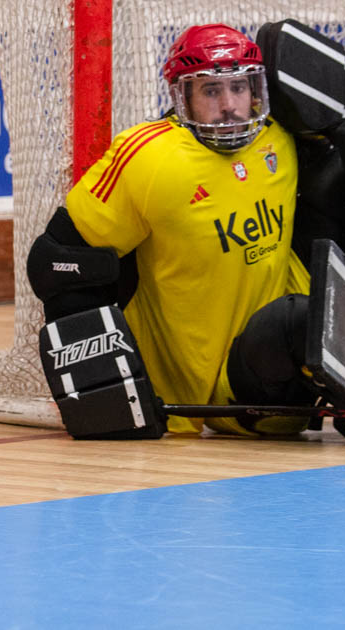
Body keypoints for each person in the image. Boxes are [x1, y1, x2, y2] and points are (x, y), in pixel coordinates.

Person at [28, 23, 316, 437]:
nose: (229, 105)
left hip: (258, 390)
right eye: (211, 91)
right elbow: (55, 261)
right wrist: (104, 390)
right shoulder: (149, 158)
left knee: (307, 320)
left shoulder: (281, 142)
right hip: (176, 399)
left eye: (239, 87)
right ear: (183, 97)